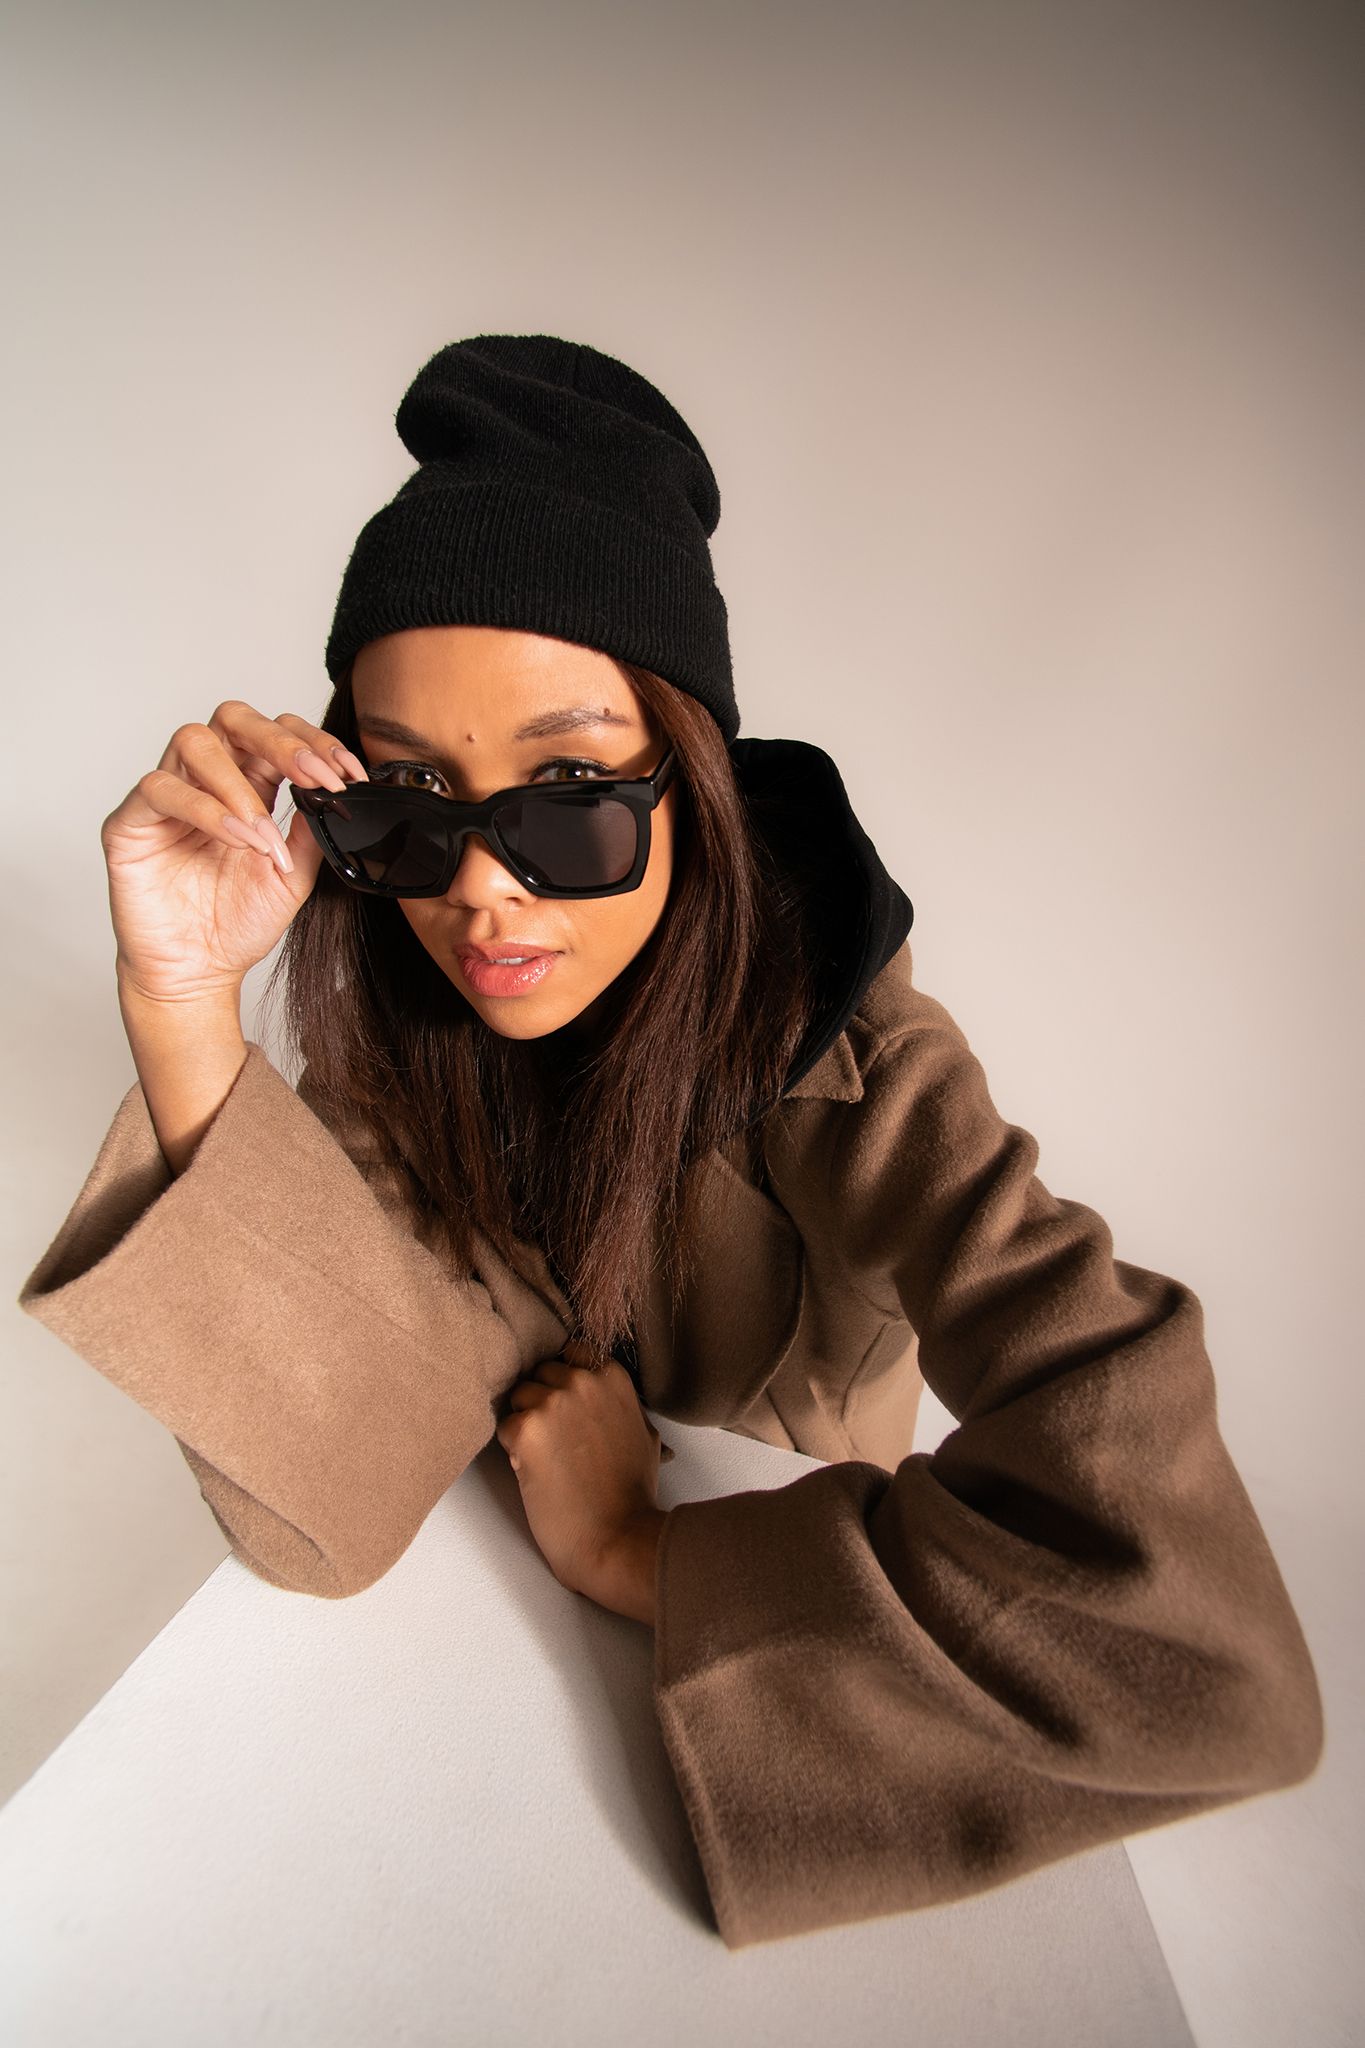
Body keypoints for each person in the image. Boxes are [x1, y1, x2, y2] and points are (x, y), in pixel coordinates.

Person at [19, 334, 1323, 1951]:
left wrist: (643, 1549)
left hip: (766, 1646)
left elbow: (1201, 1655)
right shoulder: (411, 1026)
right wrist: (180, 999)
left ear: (693, 788)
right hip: (462, 1690)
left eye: (569, 792)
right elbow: (346, 1448)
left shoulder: (850, 1062)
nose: (479, 891)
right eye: (404, 803)